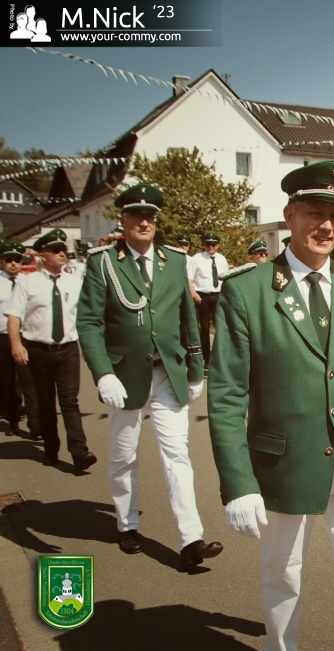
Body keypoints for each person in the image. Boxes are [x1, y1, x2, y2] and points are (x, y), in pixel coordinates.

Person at [208, 160, 334, 650]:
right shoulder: (247, 290)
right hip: (283, 463)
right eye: (314, 213)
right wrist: (238, 482)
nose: (327, 226)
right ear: (289, 216)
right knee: (283, 576)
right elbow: (227, 393)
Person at [77, 184, 223, 568]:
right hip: (125, 376)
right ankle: (127, 524)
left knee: (177, 455)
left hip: (168, 373)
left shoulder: (174, 260)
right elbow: (89, 323)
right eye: (136, 216)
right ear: (123, 220)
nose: (144, 222)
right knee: (124, 454)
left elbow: (187, 318)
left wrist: (195, 369)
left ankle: (191, 539)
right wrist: (103, 373)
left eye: (150, 217)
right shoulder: (103, 262)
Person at [4, 229, 96, 471]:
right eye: (55, 250)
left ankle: (80, 451)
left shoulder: (75, 282)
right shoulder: (27, 283)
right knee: (45, 403)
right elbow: (14, 316)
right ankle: (51, 449)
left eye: (63, 249)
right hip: (38, 350)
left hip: (67, 349)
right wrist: (16, 345)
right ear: (42, 255)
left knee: (70, 401)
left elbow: (84, 317)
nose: (62, 253)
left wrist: (89, 345)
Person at [0, 240, 39, 439]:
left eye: (17, 259)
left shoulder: (28, 281)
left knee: (28, 380)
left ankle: (35, 424)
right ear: (1, 262)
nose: (14, 263)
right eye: (9, 260)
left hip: (25, 336)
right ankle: (13, 419)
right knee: (6, 381)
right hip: (3, 337)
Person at [190, 232, 229, 371]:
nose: (210, 247)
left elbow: (226, 278)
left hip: (218, 295)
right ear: (204, 245)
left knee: (221, 326)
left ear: (217, 245)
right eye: (208, 244)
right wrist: (193, 293)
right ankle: (206, 357)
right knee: (205, 328)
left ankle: (220, 355)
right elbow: (190, 278)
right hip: (202, 296)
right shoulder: (197, 258)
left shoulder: (222, 259)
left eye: (213, 244)